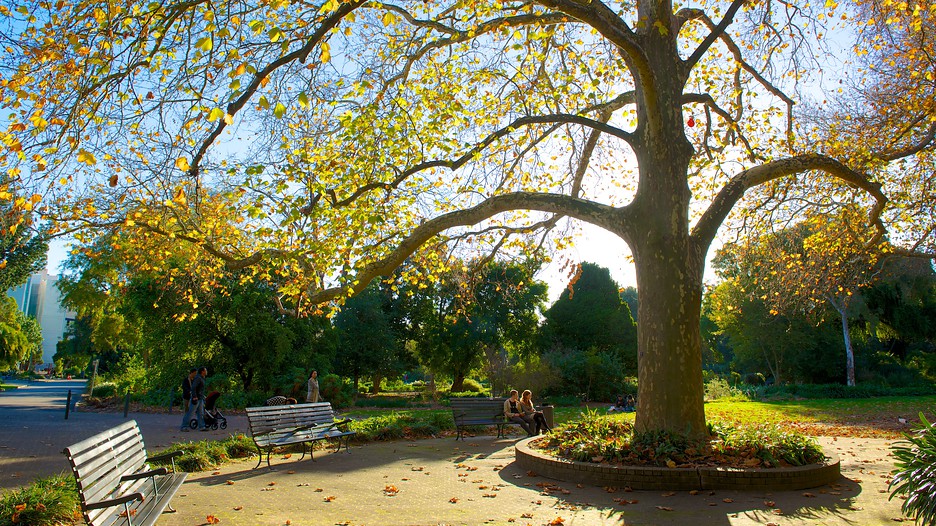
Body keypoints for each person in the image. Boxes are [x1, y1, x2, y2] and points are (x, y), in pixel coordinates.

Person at [191, 366, 209, 431]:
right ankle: (184, 426)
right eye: (205, 370)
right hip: (196, 398)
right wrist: (194, 396)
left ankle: (201, 426)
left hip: (200, 397)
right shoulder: (198, 378)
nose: (206, 371)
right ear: (202, 371)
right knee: (191, 412)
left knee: (200, 412)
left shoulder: (202, 378)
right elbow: (194, 387)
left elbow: (200, 389)